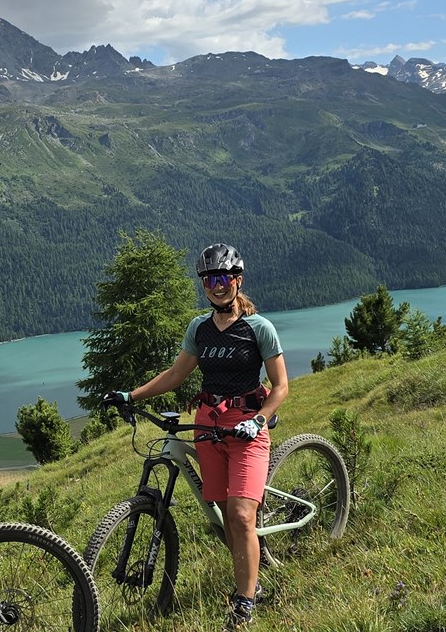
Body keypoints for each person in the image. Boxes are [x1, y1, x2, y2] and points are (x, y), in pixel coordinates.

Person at [102, 243, 287, 631]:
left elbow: (281, 386)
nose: (216, 285)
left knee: (240, 514)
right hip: (208, 425)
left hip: (246, 426)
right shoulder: (199, 328)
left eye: (223, 278)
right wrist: (131, 396)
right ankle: (252, 569)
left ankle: (245, 602)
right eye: (208, 279)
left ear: (237, 280)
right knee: (222, 510)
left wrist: (259, 420)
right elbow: (175, 375)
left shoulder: (259, 328)